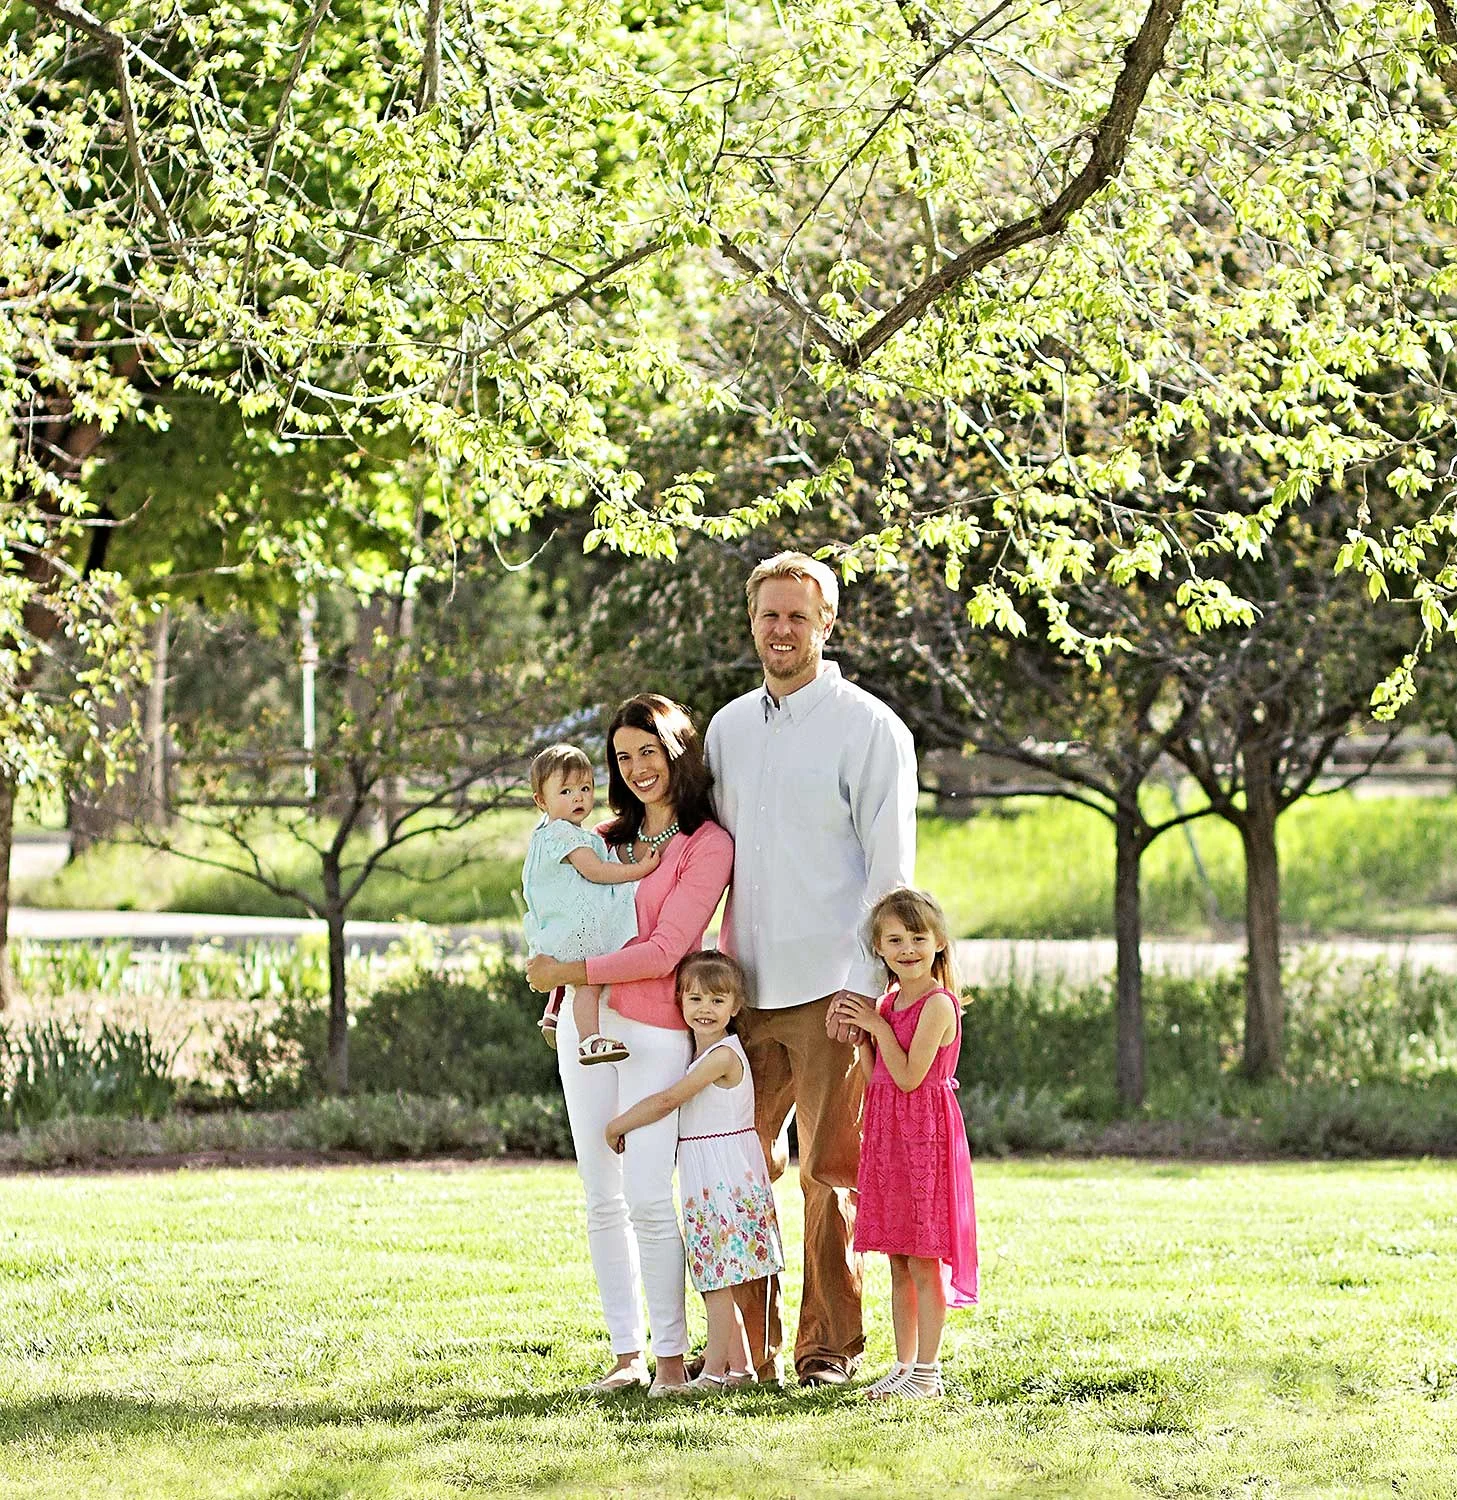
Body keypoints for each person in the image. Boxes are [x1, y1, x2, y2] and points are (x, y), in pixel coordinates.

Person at [704, 551, 917, 1387]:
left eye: (798, 614)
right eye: (769, 615)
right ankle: (742, 1345)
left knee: (829, 1176)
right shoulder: (725, 728)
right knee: (734, 1167)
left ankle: (824, 1345)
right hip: (742, 993)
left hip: (833, 990)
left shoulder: (868, 727)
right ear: (751, 623)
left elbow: (889, 867)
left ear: (827, 623)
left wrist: (866, 989)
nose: (782, 629)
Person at [525, 695, 733, 1397]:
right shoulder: (602, 837)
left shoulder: (706, 844)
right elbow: (567, 917)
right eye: (622, 755)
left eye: (648, 750)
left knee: (648, 1195)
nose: (636, 767)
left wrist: (567, 973)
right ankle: (625, 1355)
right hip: (586, 1032)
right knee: (600, 1197)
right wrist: (560, 989)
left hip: (653, 1033)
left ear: (676, 750)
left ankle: (672, 1360)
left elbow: (665, 949)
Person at [605, 951, 784, 1393]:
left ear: (735, 1007)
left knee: (718, 1278)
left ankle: (714, 1370)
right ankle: (738, 1368)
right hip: (708, 1168)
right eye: (695, 998)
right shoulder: (701, 1051)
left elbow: (669, 1100)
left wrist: (619, 1123)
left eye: (717, 1001)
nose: (705, 1009)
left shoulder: (721, 1057)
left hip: (724, 1170)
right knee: (714, 1272)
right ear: (680, 1002)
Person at [839, 887, 978, 1401]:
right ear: (878, 948)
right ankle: (904, 1368)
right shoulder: (890, 1001)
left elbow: (910, 1075)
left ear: (938, 942)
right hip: (889, 1133)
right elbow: (879, 1076)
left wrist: (876, 1025)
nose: (907, 949)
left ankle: (929, 1371)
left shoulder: (938, 1005)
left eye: (918, 938)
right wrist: (865, 1041)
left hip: (924, 1136)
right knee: (897, 1256)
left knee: (923, 1258)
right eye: (894, 940)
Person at [522, 743, 659, 1065]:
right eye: (566, 791)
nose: (578, 797)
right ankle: (588, 1038)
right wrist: (639, 871)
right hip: (574, 927)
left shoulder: (546, 833)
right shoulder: (564, 835)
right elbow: (595, 871)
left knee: (580, 981)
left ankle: (562, 1020)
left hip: (555, 925)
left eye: (585, 788)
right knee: (589, 979)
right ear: (542, 801)